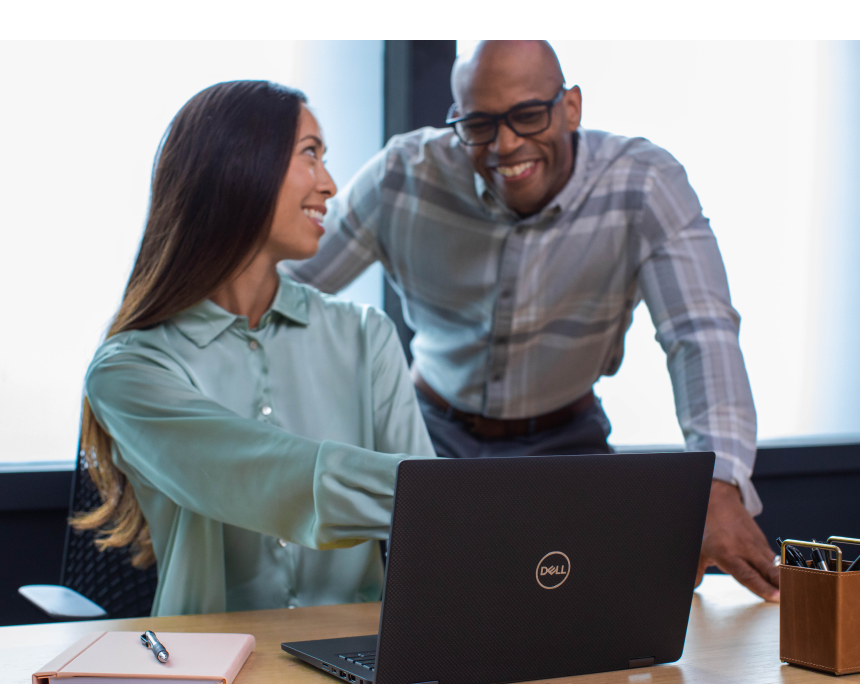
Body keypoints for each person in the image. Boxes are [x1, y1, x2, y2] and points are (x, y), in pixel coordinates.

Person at [287, 40, 781, 602]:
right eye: (479, 125)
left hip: (564, 443)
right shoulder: (405, 174)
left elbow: (700, 332)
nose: (505, 145)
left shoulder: (644, 184)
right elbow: (290, 285)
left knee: (592, 623)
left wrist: (717, 486)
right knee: (413, 618)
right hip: (425, 436)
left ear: (571, 107)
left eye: (527, 115)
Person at [74, 80, 435, 617]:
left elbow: (431, 530)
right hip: (206, 665)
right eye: (309, 154)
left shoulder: (364, 334)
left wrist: (449, 503)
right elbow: (260, 474)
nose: (330, 184)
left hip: (364, 656)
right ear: (241, 165)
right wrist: (455, 498)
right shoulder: (128, 370)